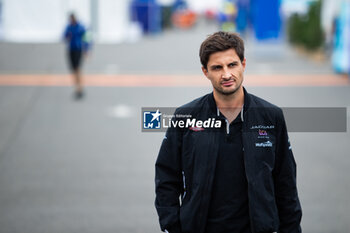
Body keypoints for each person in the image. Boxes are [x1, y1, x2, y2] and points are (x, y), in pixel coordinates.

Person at [155, 31, 302, 233]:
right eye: (217, 67)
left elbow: (285, 183)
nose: (226, 74)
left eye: (232, 64)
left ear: (243, 64)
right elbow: (166, 178)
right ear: (205, 71)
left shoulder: (271, 116)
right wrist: (172, 227)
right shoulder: (185, 116)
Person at [64, 13, 86, 99]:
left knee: (77, 69)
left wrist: (86, 48)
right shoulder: (69, 27)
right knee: (73, 69)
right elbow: (64, 36)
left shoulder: (80, 27)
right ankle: (77, 87)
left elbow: (86, 37)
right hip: (71, 49)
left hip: (78, 49)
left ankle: (79, 88)